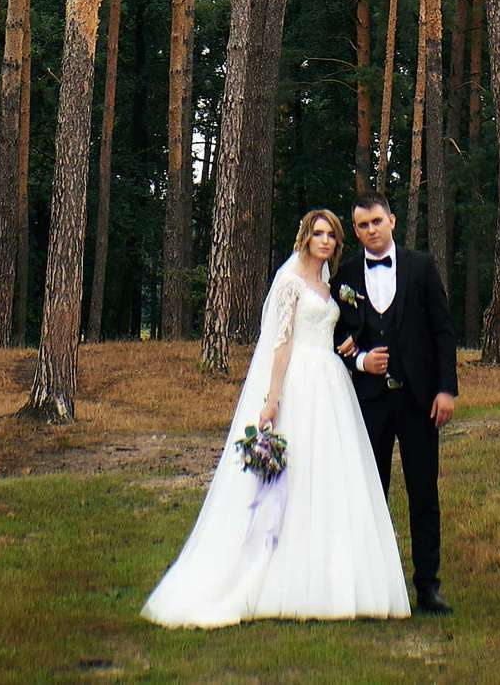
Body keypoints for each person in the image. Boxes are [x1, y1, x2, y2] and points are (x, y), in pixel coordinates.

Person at [141, 208, 410, 628]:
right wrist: (272, 399)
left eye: (332, 236)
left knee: (329, 477)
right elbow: (280, 345)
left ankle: (332, 578)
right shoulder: (289, 284)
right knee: (292, 477)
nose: (325, 241)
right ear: (305, 238)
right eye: (318, 234)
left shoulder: (328, 286)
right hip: (300, 381)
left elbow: (341, 330)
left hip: (332, 384)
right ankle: (272, 575)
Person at [336, 193, 457, 615]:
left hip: (420, 400)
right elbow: (335, 335)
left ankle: (428, 586)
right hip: (369, 403)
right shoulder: (346, 274)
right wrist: (360, 360)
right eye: (362, 225)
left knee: (424, 492)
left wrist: (447, 389)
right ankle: (372, 586)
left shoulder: (421, 267)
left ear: (392, 220)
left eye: (376, 222)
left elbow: (443, 330)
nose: (370, 230)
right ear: (355, 230)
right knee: (372, 493)